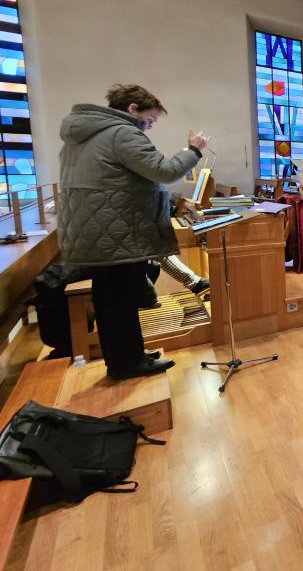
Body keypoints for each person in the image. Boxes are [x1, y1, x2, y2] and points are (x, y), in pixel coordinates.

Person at [58, 84, 206, 380]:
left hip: (99, 230)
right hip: (116, 230)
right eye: (148, 121)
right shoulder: (121, 132)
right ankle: (127, 363)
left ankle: (129, 356)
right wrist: (193, 150)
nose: (148, 128)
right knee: (120, 300)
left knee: (114, 298)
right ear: (132, 109)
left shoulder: (82, 136)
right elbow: (163, 170)